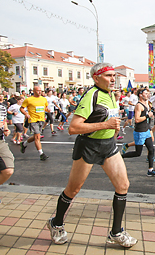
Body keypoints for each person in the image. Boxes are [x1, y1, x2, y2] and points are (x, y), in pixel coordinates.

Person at [47, 63, 137, 247]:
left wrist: (113, 129)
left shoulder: (111, 94)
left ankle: (116, 232)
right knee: (73, 189)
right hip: (88, 146)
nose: (113, 79)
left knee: (123, 185)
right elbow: (73, 128)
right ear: (96, 78)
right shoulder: (91, 96)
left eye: (114, 76)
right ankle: (56, 224)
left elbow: (109, 120)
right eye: (108, 76)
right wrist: (106, 125)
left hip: (109, 146)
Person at [121, 88, 155, 176]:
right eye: (145, 93)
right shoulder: (138, 105)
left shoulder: (146, 103)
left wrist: (151, 114)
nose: (148, 95)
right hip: (140, 131)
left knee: (151, 149)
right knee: (137, 153)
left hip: (146, 130)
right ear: (140, 95)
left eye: (148, 93)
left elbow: (149, 113)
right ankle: (121, 157)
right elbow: (137, 119)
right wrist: (148, 115)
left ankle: (150, 170)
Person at [20, 86, 49, 160]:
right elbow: (21, 108)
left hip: (41, 119)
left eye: (40, 90)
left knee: (36, 136)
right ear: (34, 91)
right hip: (33, 120)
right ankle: (41, 154)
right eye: (37, 91)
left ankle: (24, 143)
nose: (39, 92)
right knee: (37, 137)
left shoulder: (43, 99)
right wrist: (26, 114)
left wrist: (47, 110)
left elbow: (45, 108)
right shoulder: (28, 100)